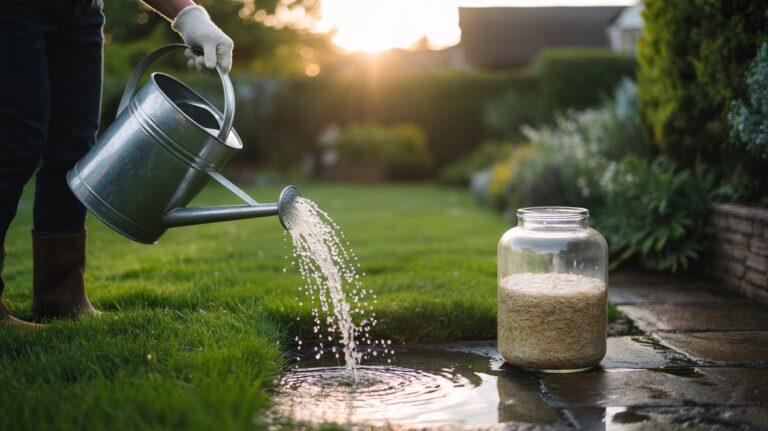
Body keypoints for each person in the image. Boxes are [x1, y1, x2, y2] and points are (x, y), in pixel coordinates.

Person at [0, 0, 234, 327]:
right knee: (14, 145)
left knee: (75, 148)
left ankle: (61, 297)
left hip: (82, 11)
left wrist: (189, 16)